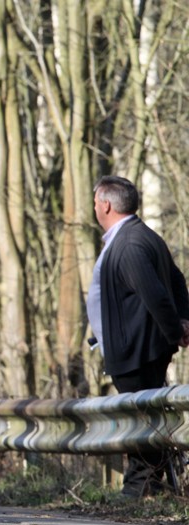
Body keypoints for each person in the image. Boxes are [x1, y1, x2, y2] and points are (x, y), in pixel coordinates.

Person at [87, 175, 189, 498]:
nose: (94, 208)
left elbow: (156, 293)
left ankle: (138, 488)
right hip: (137, 347)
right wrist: (182, 320)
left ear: (105, 205)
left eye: (95, 203)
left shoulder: (129, 243)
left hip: (137, 350)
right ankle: (153, 484)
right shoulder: (142, 236)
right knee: (143, 417)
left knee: (140, 420)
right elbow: (178, 279)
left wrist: (176, 328)